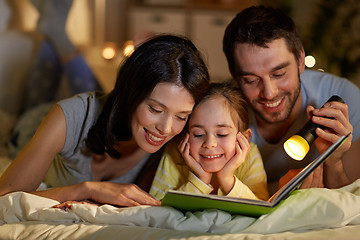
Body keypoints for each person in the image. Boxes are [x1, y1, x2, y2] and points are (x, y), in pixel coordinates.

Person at [0, 34, 210, 207]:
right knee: (36, 103)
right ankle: (52, 35)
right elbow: (5, 198)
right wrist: (86, 189)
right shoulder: (68, 117)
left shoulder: (179, 137)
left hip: (107, 107)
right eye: (155, 109)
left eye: (181, 116)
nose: (165, 128)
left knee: (90, 90)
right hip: (32, 125)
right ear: (131, 94)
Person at [222, 5, 360, 194]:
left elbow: (351, 199)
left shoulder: (343, 97)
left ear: (301, 60)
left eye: (279, 74)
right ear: (234, 76)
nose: (269, 93)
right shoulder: (220, 110)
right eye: (251, 80)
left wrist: (333, 162)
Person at [150, 82, 269, 201]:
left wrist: (227, 179)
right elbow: (156, 209)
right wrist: (199, 181)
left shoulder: (250, 154)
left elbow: (262, 206)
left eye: (222, 134)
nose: (209, 143)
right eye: (198, 134)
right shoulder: (174, 152)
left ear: (245, 138)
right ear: (185, 136)